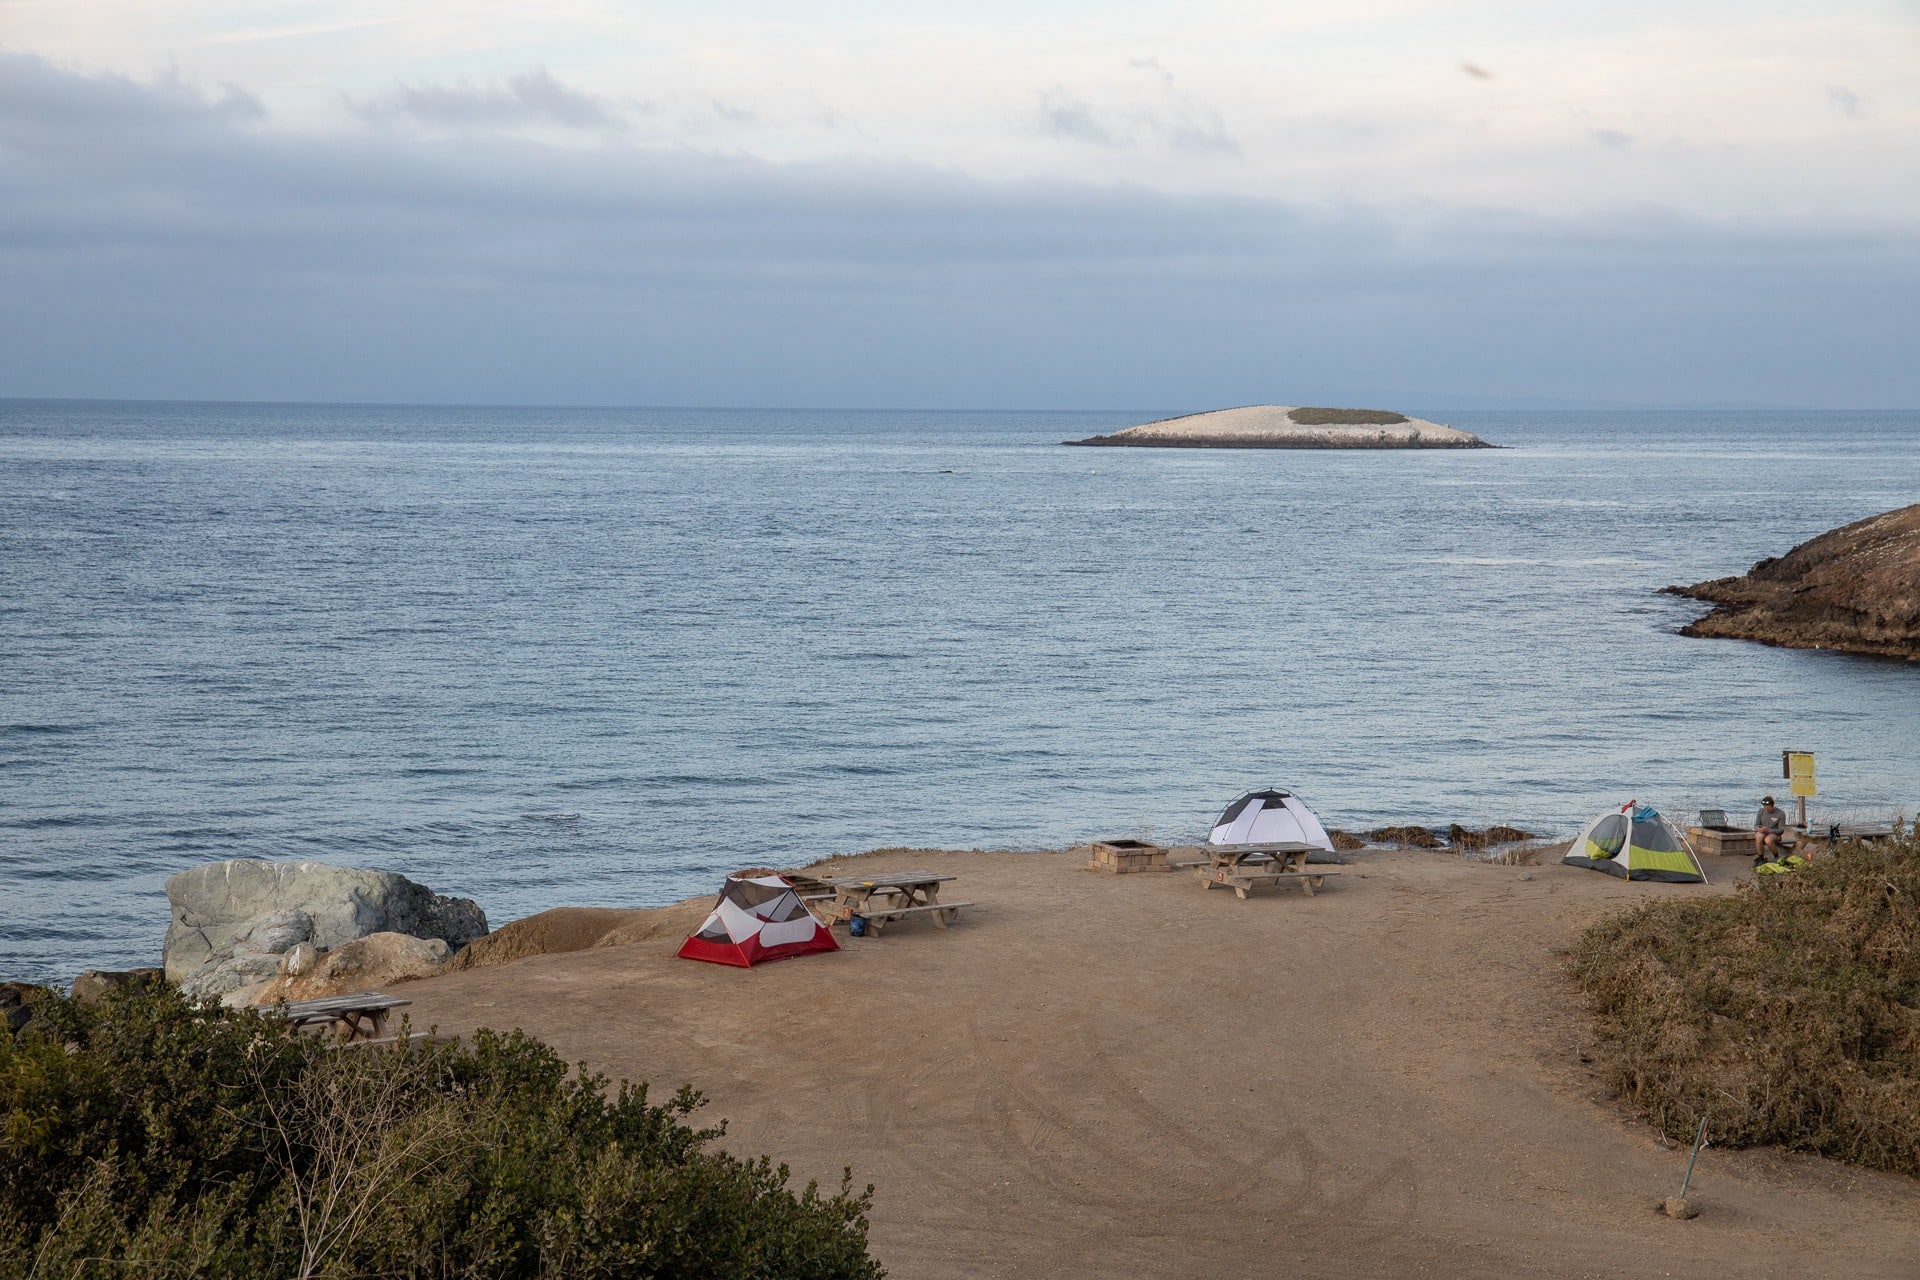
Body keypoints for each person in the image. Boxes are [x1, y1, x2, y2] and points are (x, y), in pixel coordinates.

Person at [1754, 796, 1789, 865]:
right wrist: (1759, 829)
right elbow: (1756, 825)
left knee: (1768, 840)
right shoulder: (1761, 811)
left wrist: (1769, 831)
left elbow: (1781, 830)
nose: (1766, 809)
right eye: (1765, 807)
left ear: (1772, 805)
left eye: (1769, 809)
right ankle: (1761, 857)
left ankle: (1776, 856)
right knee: (1758, 836)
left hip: (1774, 833)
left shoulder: (1780, 813)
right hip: (1763, 831)